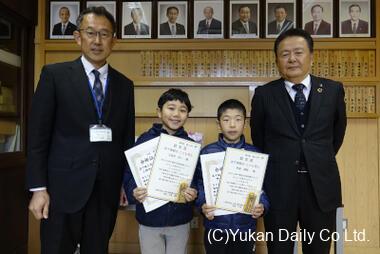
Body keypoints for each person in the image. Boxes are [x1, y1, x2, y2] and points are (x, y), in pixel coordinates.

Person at [27, 6, 135, 253]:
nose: (97, 41)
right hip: (61, 188)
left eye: (104, 34)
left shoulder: (124, 85)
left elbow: (126, 139)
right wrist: (38, 189)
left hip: (105, 190)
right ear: (78, 37)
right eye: (90, 33)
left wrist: (124, 184)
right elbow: (38, 136)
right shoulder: (55, 75)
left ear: (114, 40)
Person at [250, 28, 347, 254]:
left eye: (298, 52)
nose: (292, 59)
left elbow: (337, 134)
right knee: (279, 249)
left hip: (320, 187)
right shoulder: (264, 95)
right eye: (284, 54)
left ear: (311, 56)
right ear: (276, 60)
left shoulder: (332, 90)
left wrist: (316, 158)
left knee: (318, 249)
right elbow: (259, 138)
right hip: (279, 187)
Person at [124, 88, 198, 254]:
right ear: (159, 112)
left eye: (183, 110)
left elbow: (196, 177)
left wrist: (194, 191)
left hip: (180, 218)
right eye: (171, 108)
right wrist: (133, 191)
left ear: (188, 115)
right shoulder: (144, 140)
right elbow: (129, 173)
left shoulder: (190, 145)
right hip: (149, 217)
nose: (176, 114)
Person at [195, 99, 270, 254]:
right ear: (218, 124)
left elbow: (263, 189)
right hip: (215, 226)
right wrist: (202, 205)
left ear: (245, 123)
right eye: (226, 119)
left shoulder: (255, 154)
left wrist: (262, 206)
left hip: (245, 227)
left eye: (238, 119)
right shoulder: (208, 153)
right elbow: (199, 185)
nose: (232, 125)